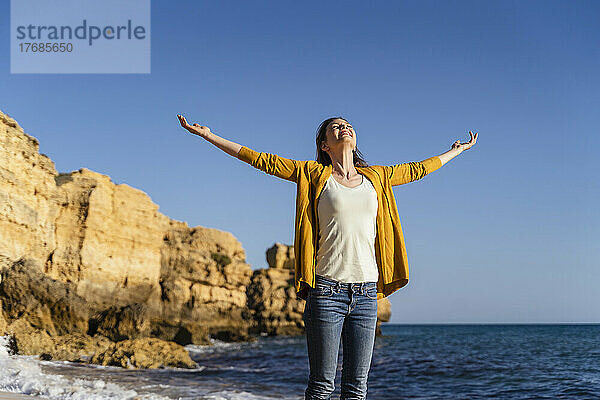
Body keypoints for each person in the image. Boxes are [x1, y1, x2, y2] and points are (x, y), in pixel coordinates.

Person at [177, 114, 478, 400]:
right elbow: (261, 160)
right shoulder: (312, 174)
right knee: (322, 386)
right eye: (335, 127)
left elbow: (418, 169)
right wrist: (208, 135)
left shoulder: (379, 178)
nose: (343, 128)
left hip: (366, 293)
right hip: (326, 292)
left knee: (356, 389)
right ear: (324, 144)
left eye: (347, 125)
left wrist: (455, 151)